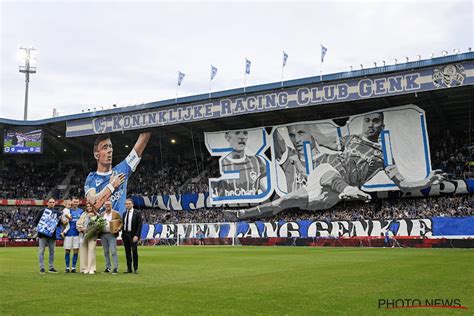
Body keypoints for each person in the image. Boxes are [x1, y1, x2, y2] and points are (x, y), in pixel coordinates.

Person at [223, 112, 445, 220]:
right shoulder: (351, 139)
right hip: (325, 178)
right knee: (287, 197)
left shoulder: (383, 155)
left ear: (382, 124)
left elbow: (404, 185)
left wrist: (426, 182)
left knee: (287, 201)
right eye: (367, 120)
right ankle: (240, 214)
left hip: (329, 197)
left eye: (375, 121)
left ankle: (346, 189)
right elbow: (319, 137)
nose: (370, 124)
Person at [84, 132, 151, 216]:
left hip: (120, 226)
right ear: (97, 155)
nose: (110, 150)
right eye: (105, 147)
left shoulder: (121, 170)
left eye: (110, 147)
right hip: (101, 226)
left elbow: (143, 139)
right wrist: (111, 186)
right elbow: (93, 205)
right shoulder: (92, 178)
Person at [210, 130, 267, 199]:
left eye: (245, 133)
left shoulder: (257, 161)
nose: (242, 137)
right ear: (227, 137)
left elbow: (266, 190)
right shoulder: (219, 164)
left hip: (254, 206)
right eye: (237, 133)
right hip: (229, 207)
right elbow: (215, 194)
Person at [33, 198, 61, 274]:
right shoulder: (41, 211)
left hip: (52, 235)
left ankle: (51, 267)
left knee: (52, 252)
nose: (52, 203)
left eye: (53, 202)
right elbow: (35, 222)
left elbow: (58, 225)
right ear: (47, 203)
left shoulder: (57, 213)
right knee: (41, 251)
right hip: (42, 234)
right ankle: (42, 268)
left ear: (55, 203)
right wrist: (36, 228)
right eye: (50, 202)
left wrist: (61, 220)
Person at [76, 202, 99, 274]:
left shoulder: (96, 215)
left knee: (91, 251)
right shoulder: (83, 214)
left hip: (92, 235)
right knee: (83, 251)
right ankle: (84, 268)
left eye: (90, 206)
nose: (89, 207)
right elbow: (78, 223)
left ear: (92, 207)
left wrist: (92, 230)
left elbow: (99, 225)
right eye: (87, 206)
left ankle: (91, 268)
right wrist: (81, 228)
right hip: (83, 235)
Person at [101, 200, 122, 274]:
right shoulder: (102, 214)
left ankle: (115, 267)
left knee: (113, 251)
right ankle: (108, 267)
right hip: (103, 234)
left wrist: (118, 228)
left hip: (112, 234)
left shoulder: (116, 213)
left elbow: (121, 222)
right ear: (104, 206)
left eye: (109, 204)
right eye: (106, 205)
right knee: (106, 252)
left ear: (111, 205)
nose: (107, 206)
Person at [63, 197, 83, 273]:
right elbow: (63, 221)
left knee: (76, 250)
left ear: (79, 203)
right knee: (67, 250)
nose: (75, 203)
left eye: (77, 202)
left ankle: (74, 267)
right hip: (68, 233)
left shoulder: (81, 211)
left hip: (77, 234)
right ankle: (67, 267)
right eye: (74, 202)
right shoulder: (68, 210)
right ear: (72, 202)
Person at [122, 198, 142, 274]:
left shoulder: (137, 213)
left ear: (132, 204)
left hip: (133, 235)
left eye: (129, 203)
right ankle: (129, 268)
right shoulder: (124, 213)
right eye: (126, 204)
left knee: (134, 252)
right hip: (125, 235)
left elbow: (140, 225)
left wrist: (137, 235)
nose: (128, 205)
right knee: (127, 252)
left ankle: (135, 268)